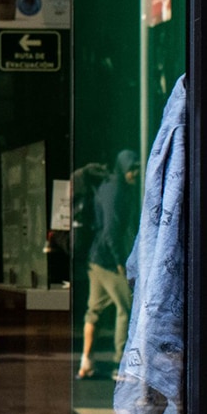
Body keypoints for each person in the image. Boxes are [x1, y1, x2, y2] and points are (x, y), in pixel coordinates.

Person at [77, 149, 139, 380]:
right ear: (123, 168)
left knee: (94, 312)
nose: (135, 173)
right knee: (126, 307)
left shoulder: (109, 186)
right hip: (107, 260)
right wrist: (120, 262)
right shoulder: (117, 190)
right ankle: (120, 365)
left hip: (95, 260)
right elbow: (112, 231)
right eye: (132, 169)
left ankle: (86, 363)